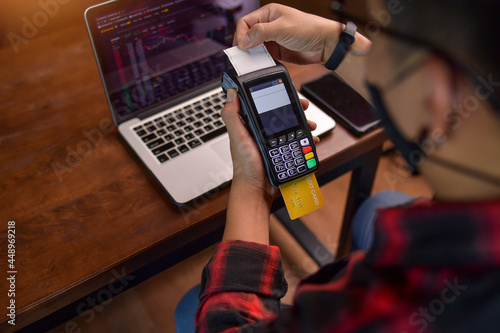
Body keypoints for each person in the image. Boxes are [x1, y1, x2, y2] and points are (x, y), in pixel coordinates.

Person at [176, 1, 500, 332]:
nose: (368, 50)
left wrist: (253, 187)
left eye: (379, 30)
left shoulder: (397, 309)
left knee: (191, 307)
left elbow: (225, 326)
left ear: (435, 95)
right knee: (379, 205)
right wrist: (335, 44)